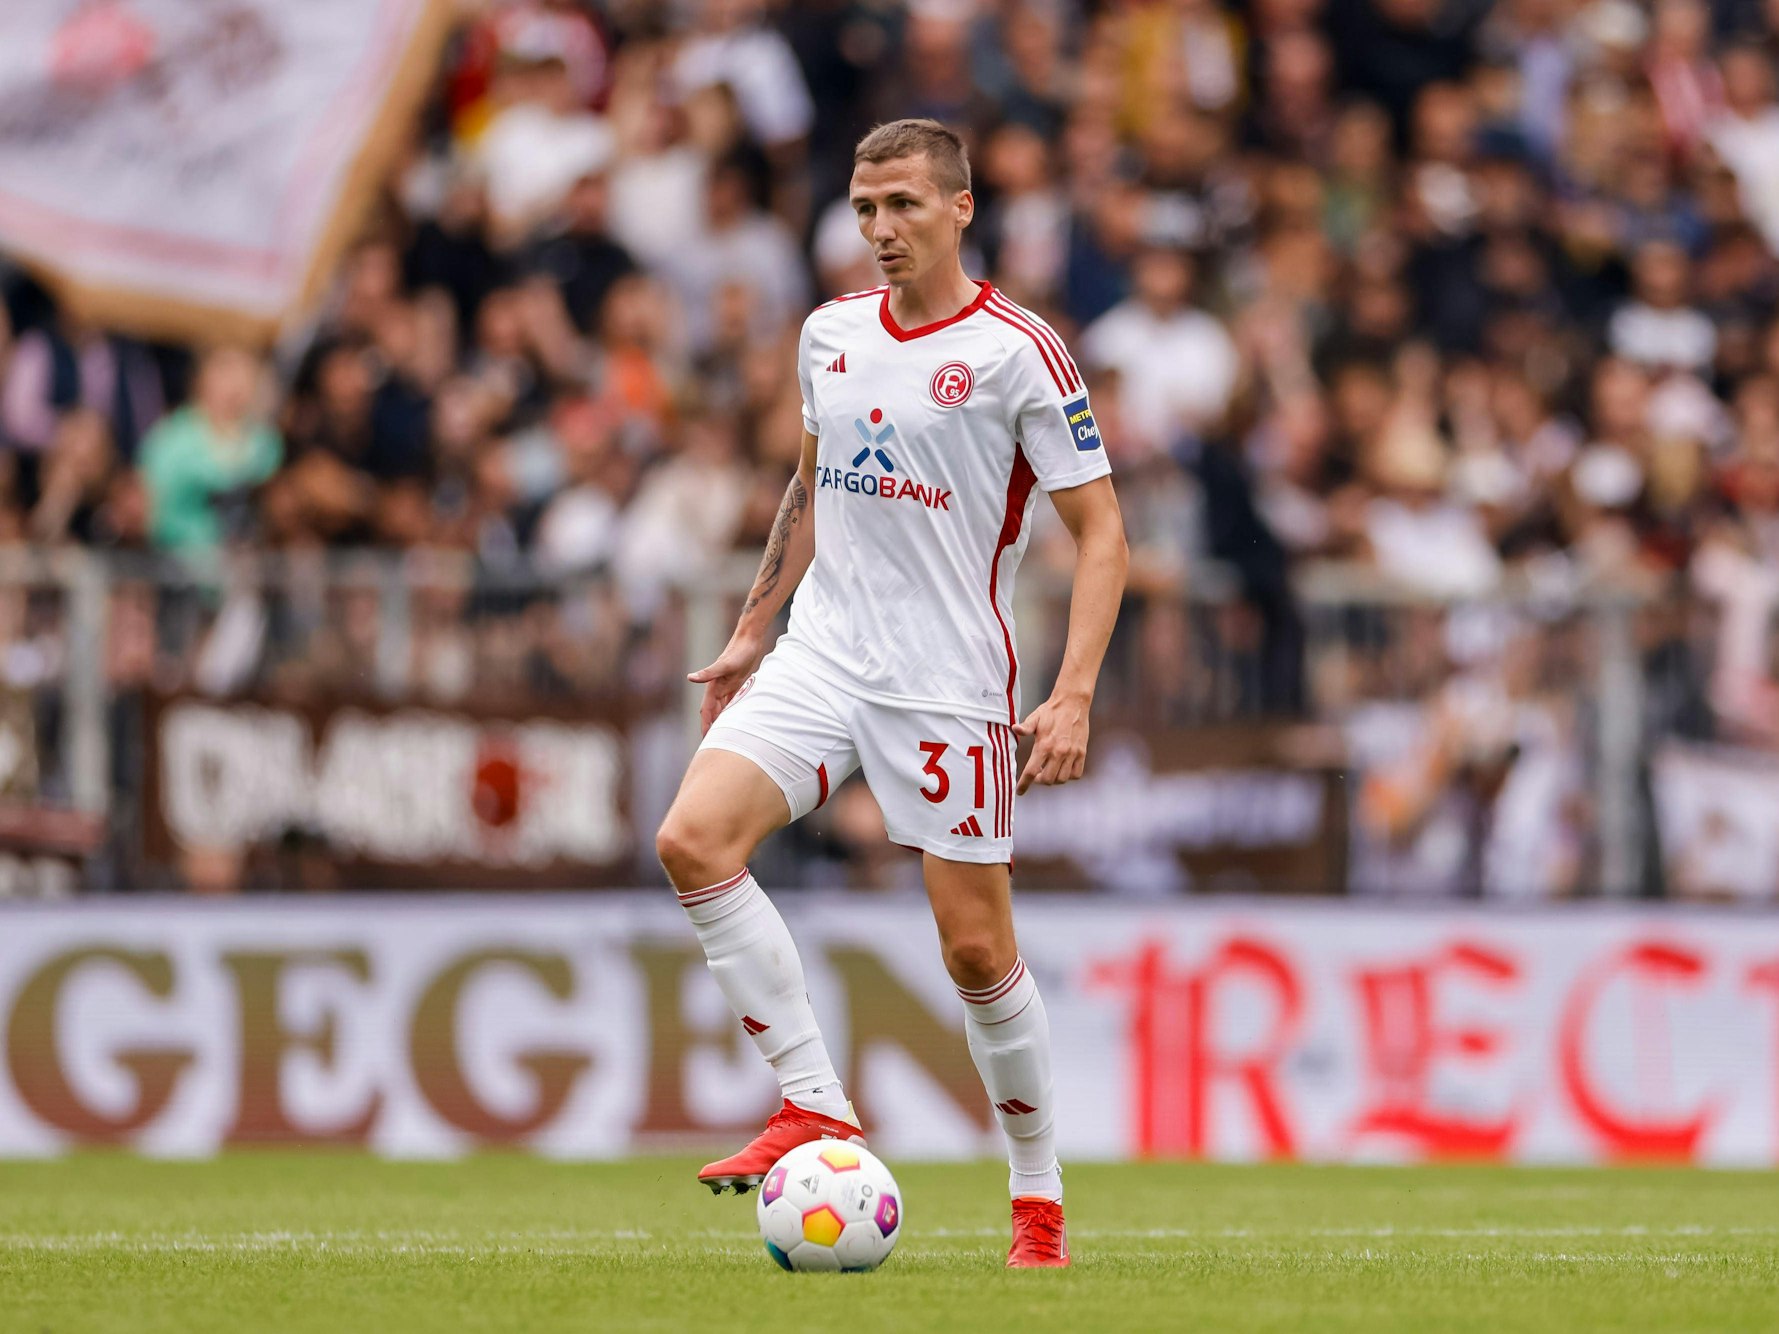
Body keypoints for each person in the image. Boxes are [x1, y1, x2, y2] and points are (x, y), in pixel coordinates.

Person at [654, 118, 1129, 1268]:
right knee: (691, 838)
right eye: (866, 208)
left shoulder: (1020, 352)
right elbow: (810, 483)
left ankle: (1037, 1196)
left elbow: (1104, 532)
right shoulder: (830, 333)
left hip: (947, 680)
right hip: (823, 651)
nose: (882, 228)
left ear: (961, 208)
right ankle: (814, 1101)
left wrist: (1071, 693)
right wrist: (754, 625)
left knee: (975, 950)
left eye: (905, 204)